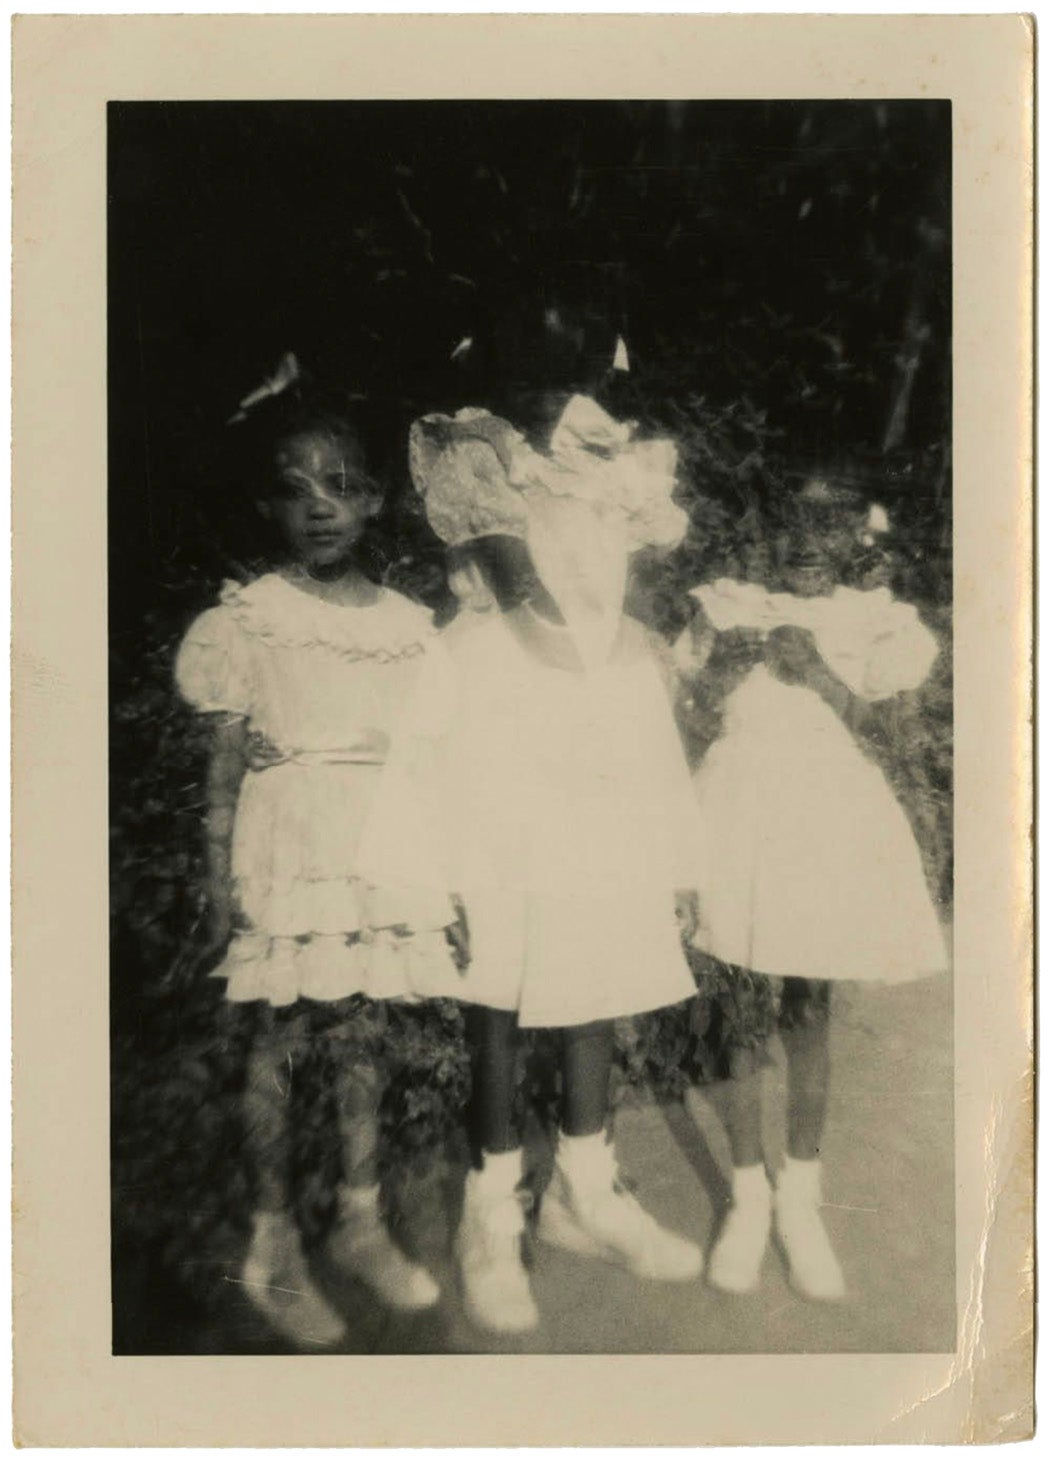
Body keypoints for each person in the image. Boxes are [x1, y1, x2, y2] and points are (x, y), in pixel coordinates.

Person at [363, 383, 706, 1335]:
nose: (576, 361)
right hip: (511, 704)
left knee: (597, 960)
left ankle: (584, 1194)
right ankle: (490, 1213)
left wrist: (629, 658)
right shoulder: (480, 448)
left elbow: (628, 591)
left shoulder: (621, 457)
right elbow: (529, 598)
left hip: (603, 699)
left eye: (593, 339)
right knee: (505, 984)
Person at [174, 355, 456, 1347]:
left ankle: (361, 1218)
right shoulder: (251, 618)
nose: (321, 507)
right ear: (270, 510)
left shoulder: (412, 631)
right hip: (286, 840)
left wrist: (436, 873)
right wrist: (216, 879)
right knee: (279, 1041)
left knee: (363, 1038)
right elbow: (221, 765)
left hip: (376, 846)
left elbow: (426, 765)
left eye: (341, 486)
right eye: (297, 491)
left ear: (377, 501)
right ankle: (270, 1239)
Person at [676, 481, 949, 1301]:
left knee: (806, 1012)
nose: (806, 537)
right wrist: (715, 680)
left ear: (850, 538)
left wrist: (822, 672)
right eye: (794, 518)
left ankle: (802, 1198)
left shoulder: (873, 619)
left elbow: (896, 739)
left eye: (828, 522)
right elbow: (684, 713)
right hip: (735, 824)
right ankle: (748, 1196)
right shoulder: (727, 608)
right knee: (736, 1009)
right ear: (769, 524)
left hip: (824, 833)